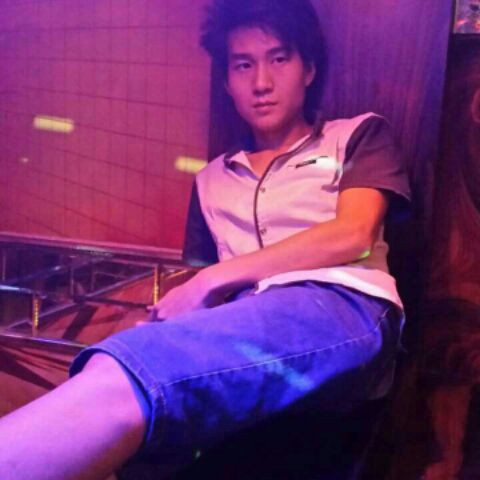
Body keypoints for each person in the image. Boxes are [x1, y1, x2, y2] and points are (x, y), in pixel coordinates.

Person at [0, 0, 411, 479]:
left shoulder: (356, 135)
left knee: (132, 377)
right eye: (243, 65)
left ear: (309, 69)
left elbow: (354, 235)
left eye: (279, 59)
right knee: (138, 398)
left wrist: (210, 281)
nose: (261, 82)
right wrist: (162, 318)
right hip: (246, 323)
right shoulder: (211, 178)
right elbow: (201, 287)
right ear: (227, 82)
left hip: (340, 304)